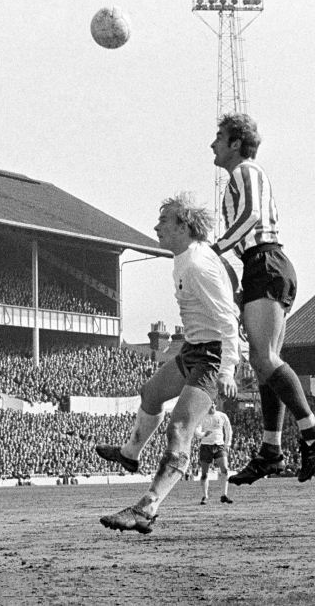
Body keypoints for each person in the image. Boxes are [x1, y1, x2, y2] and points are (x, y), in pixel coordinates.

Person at [96, 192, 238, 534]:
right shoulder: (187, 257)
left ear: (184, 226)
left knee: (179, 431)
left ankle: (147, 509)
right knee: (151, 393)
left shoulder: (197, 265)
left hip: (212, 355)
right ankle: (131, 453)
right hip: (193, 348)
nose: (156, 226)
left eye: (164, 221)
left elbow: (228, 318)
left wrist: (229, 368)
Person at [209, 112, 315, 485]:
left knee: (264, 359)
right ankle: (271, 450)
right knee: (264, 363)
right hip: (262, 264)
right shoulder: (240, 176)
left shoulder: (246, 170)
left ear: (235, 143)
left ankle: (313, 432)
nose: (212, 144)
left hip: (265, 261)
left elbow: (250, 216)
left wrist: (215, 249)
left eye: (218, 136)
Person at [195, 401, 233, 505]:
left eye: (212, 404)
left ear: (215, 405)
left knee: (225, 469)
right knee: (204, 474)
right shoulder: (202, 417)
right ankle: (205, 496)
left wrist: (227, 444)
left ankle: (224, 495)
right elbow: (197, 431)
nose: (211, 406)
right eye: (209, 404)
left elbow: (228, 430)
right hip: (206, 446)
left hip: (219, 445)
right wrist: (203, 434)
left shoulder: (222, 416)